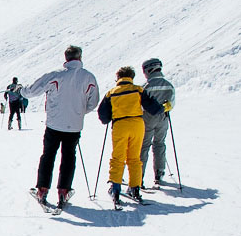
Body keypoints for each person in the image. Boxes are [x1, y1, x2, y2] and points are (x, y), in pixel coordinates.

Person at [20, 45, 100, 209]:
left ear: (66, 58)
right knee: (69, 156)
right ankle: (63, 191)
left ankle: (42, 189)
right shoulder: (89, 77)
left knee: (48, 155)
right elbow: (93, 101)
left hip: (54, 124)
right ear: (80, 57)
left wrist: (20, 90)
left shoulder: (56, 75)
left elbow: (33, 91)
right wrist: (80, 112)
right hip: (75, 125)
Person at [98, 66, 164, 205]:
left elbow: (103, 116)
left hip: (120, 125)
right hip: (137, 125)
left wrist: (110, 116)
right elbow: (153, 108)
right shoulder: (138, 90)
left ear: (118, 78)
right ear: (131, 77)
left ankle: (115, 188)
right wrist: (165, 107)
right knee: (134, 158)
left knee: (118, 157)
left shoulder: (112, 93)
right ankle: (135, 188)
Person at [138, 58, 176, 186]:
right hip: (163, 117)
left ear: (148, 70)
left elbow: (140, 105)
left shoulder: (145, 87)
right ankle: (159, 173)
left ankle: (139, 175)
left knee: (144, 146)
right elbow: (172, 103)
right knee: (159, 144)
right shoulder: (168, 85)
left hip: (147, 118)